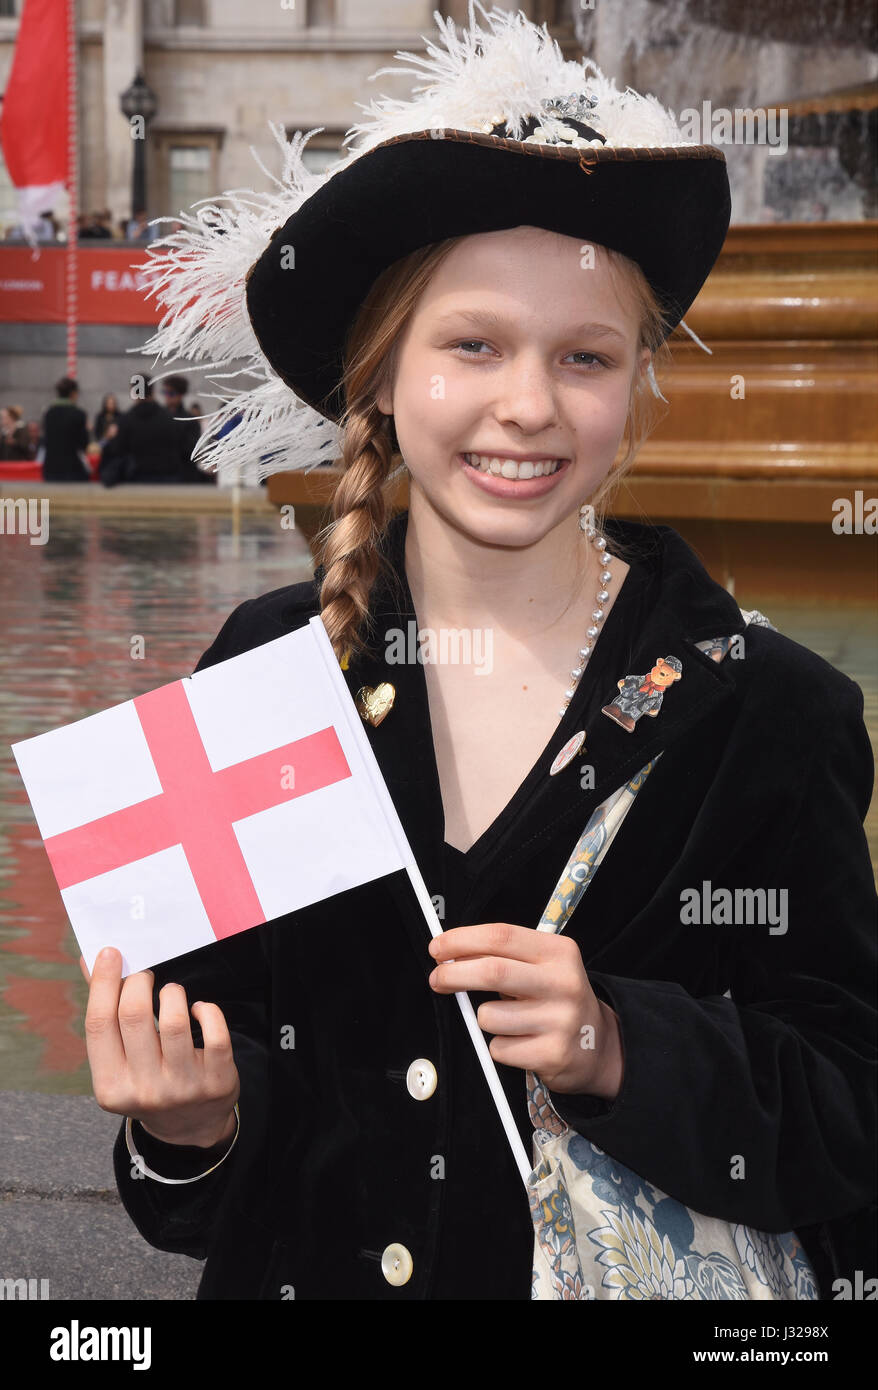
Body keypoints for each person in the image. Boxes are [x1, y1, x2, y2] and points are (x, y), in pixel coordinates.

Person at [80, 5, 875, 1301]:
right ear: (379, 376)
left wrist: (623, 1044)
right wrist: (184, 1125)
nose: (528, 401)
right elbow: (212, 1147)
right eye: (472, 343)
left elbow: (849, 1099)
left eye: (583, 356)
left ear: (633, 394)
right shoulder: (261, 672)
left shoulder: (772, 709)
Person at [98, 380, 195, 485]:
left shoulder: (127, 419)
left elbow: (117, 449)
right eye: (165, 393)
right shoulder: (167, 417)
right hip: (167, 477)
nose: (167, 396)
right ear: (152, 392)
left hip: (139, 477)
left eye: (170, 393)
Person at [41, 377, 90, 481]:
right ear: (73, 393)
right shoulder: (79, 414)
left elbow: (46, 441)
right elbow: (83, 444)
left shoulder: (49, 414)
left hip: (50, 468)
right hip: (72, 469)